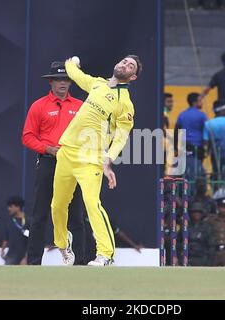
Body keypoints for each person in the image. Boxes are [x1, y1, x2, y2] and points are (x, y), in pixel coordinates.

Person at [51, 55, 142, 267]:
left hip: (91, 158)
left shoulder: (125, 103)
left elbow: (121, 135)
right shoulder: (98, 84)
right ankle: (64, 245)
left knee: (92, 204)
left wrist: (108, 160)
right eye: (124, 61)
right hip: (67, 152)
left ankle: (105, 254)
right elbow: (76, 75)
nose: (125, 64)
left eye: (131, 66)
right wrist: (70, 63)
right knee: (57, 205)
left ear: (133, 76)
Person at [22, 61, 85, 265]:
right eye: (58, 79)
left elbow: (88, 134)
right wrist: (48, 149)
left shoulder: (79, 107)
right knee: (39, 214)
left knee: (76, 214)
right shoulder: (39, 106)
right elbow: (27, 137)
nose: (62, 83)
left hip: (72, 164)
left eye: (66, 79)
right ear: (50, 82)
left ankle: (81, 262)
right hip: (48, 161)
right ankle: (33, 262)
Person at [174, 93, 208, 181]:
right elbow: (206, 132)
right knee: (197, 170)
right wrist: (206, 147)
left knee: (184, 170)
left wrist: (175, 148)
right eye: (200, 101)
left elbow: (176, 131)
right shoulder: (202, 115)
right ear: (195, 102)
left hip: (184, 147)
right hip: (198, 148)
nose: (202, 103)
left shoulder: (182, 115)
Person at [203, 100, 225, 179]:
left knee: (216, 172)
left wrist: (207, 152)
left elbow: (206, 141)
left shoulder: (208, 123)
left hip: (215, 153)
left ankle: (216, 189)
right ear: (221, 110)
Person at [1, 196, 29, 265]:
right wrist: (2, 249)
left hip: (24, 256)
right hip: (11, 256)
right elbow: (6, 238)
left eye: (10, 206)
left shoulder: (29, 221)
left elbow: (32, 241)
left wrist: (26, 257)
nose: (8, 209)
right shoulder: (9, 221)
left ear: (18, 207)